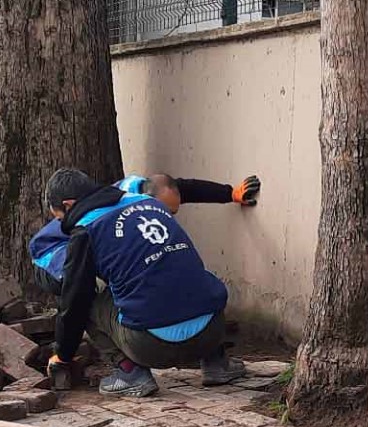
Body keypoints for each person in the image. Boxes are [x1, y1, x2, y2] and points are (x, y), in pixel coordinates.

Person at [43, 168, 247, 397]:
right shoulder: (152, 203)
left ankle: (130, 373)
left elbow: (74, 303)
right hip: (211, 332)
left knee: (84, 299)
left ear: (69, 205)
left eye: (60, 218)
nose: (63, 225)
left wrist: (63, 355)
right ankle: (217, 364)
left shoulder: (85, 231)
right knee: (190, 276)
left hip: (150, 347)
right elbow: (183, 186)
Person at [29, 172, 259, 293]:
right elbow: (78, 275)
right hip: (50, 257)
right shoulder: (116, 206)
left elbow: (184, 188)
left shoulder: (149, 190)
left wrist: (230, 194)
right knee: (84, 289)